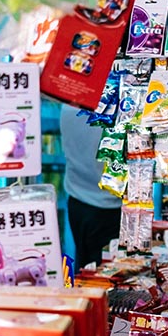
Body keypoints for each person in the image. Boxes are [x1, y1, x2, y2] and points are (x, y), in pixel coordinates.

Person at [59, 104, 122, 269]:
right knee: (108, 274)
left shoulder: (68, 107)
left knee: (87, 267)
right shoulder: (111, 108)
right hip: (108, 205)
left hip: (77, 201)